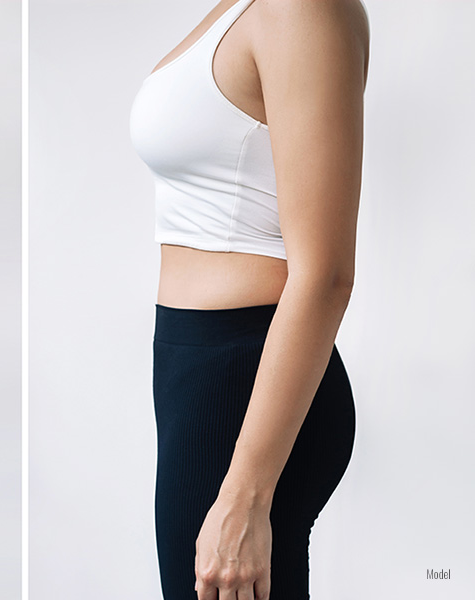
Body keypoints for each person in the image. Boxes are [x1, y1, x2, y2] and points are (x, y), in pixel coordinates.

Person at [129, 0, 369, 598]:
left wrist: (246, 493)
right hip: (199, 371)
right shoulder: (242, 10)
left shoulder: (300, 10)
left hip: (247, 375)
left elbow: (326, 274)